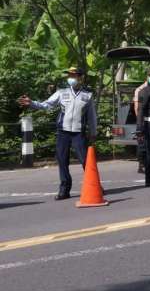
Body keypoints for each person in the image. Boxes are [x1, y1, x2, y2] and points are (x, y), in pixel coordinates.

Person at [17, 67, 97, 200]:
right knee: (62, 160)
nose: (71, 78)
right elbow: (46, 105)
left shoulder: (87, 95)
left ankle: (95, 185)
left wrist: (93, 132)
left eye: (74, 75)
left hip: (78, 133)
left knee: (86, 161)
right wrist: (31, 103)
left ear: (81, 78)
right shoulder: (62, 92)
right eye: (69, 75)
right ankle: (64, 190)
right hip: (63, 132)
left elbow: (92, 117)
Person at [132, 79, 148, 174]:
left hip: (149, 120)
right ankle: (141, 165)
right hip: (142, 120)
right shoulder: (140, 90)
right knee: (142, 144)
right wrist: (140, 121)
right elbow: (136, 107)